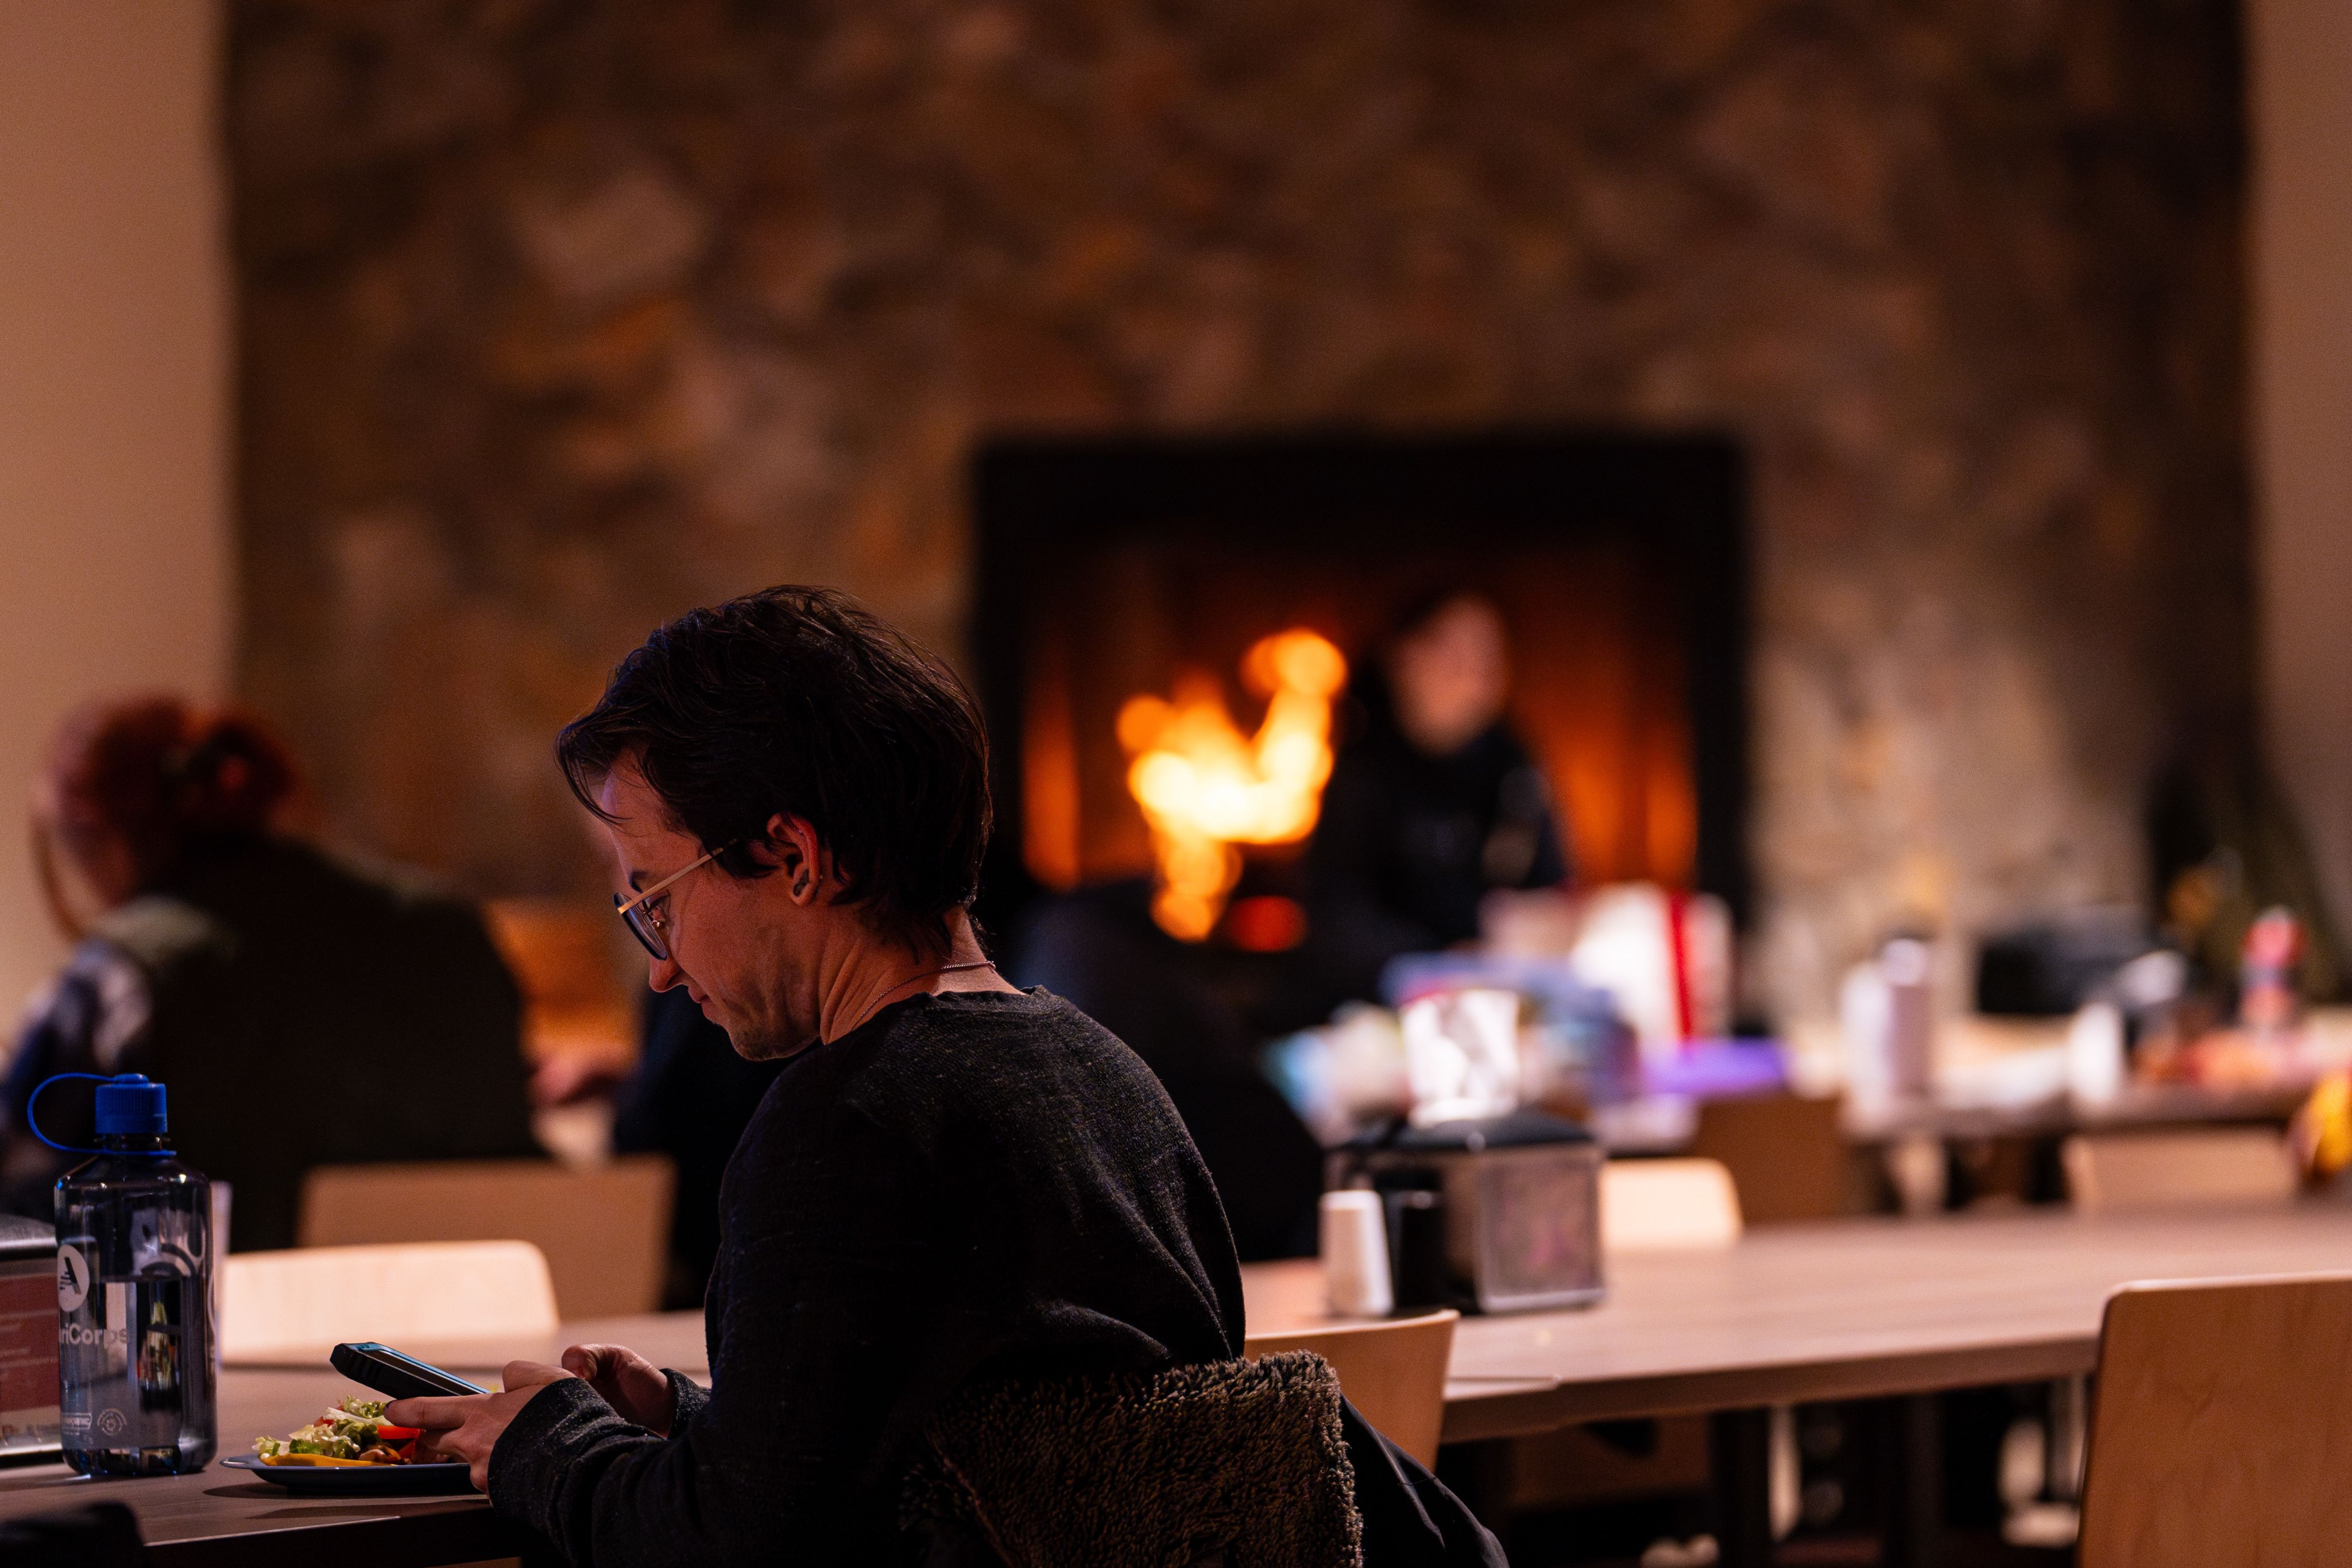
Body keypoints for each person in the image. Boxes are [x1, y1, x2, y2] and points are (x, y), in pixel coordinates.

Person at [390, 586, 1503, 1566]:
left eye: (656, 897)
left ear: (792, 857)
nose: (666, 964)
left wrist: (548, 1446)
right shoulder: (1103, 1075)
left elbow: (732, 1546)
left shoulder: (847, 1128)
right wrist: (696, 1422)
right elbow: (1006, 1475)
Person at [0, 698, 539, 1250]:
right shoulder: (447, 926)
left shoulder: (120, 975)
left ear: (98, 837)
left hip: (209, 1325)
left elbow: (23, 1203)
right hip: (474, 1315)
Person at [1305, 590, 1570, 1007]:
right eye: (1456, 655)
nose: (1478, 675)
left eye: (1490, 657)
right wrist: (1435, 964)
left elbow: (1550, 885)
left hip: (1496, 997)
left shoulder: (1512, 765)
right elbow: (1337, 918)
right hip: (1376, 1006)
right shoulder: (1363, 770)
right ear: (1404, 658)